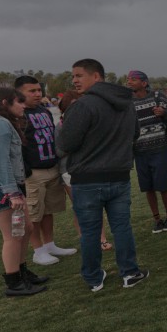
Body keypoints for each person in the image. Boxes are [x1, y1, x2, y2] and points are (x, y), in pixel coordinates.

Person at [57, 58, 149, 292]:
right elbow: (134, 134)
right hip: (118, 176)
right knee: (122, 227)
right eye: (73, 76)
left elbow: (66, 143)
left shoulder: (83, 105)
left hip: (88, 179)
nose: (74, 80)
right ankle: (129, 271)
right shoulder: (126, 103)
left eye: (79, 75)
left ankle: (93, 277)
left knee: (90, 231)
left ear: (96, 76)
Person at [0, 88, 49, 296]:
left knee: (25, 228)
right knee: (13, 234)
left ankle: (22, 273)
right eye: (19, 102)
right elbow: (1, 161)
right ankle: (14, 281)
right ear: (5, 103)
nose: (23, 105)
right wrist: (12, 193)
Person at [14, 75, 77, 266]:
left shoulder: (45, 111)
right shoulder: (18, 115)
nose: (37, 94)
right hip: (34, 171)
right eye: (31, 91)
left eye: (38, 90)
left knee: (48, 210)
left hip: (52, 166)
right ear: (19, 93)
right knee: (34, 213)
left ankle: (49, 244)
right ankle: (38, 250)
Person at [57, 91, 111, 250]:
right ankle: (85, 238)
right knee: (81, 207)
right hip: (69, 171)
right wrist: (77, 146)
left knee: (95, 205)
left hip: (89, 169)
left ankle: (100, 238)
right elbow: (59, 151)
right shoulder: (60, 126)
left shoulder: (90, 123)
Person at [126, 70, 167, 233]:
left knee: (164, 185)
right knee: (148, 187)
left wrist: (164, 113)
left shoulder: (157, 96)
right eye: (128, 79)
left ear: (144, 83)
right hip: (139, 151)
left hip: (159, 148)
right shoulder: (128, 102)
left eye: (133, 79)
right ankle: (157, 219)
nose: (129, 82)